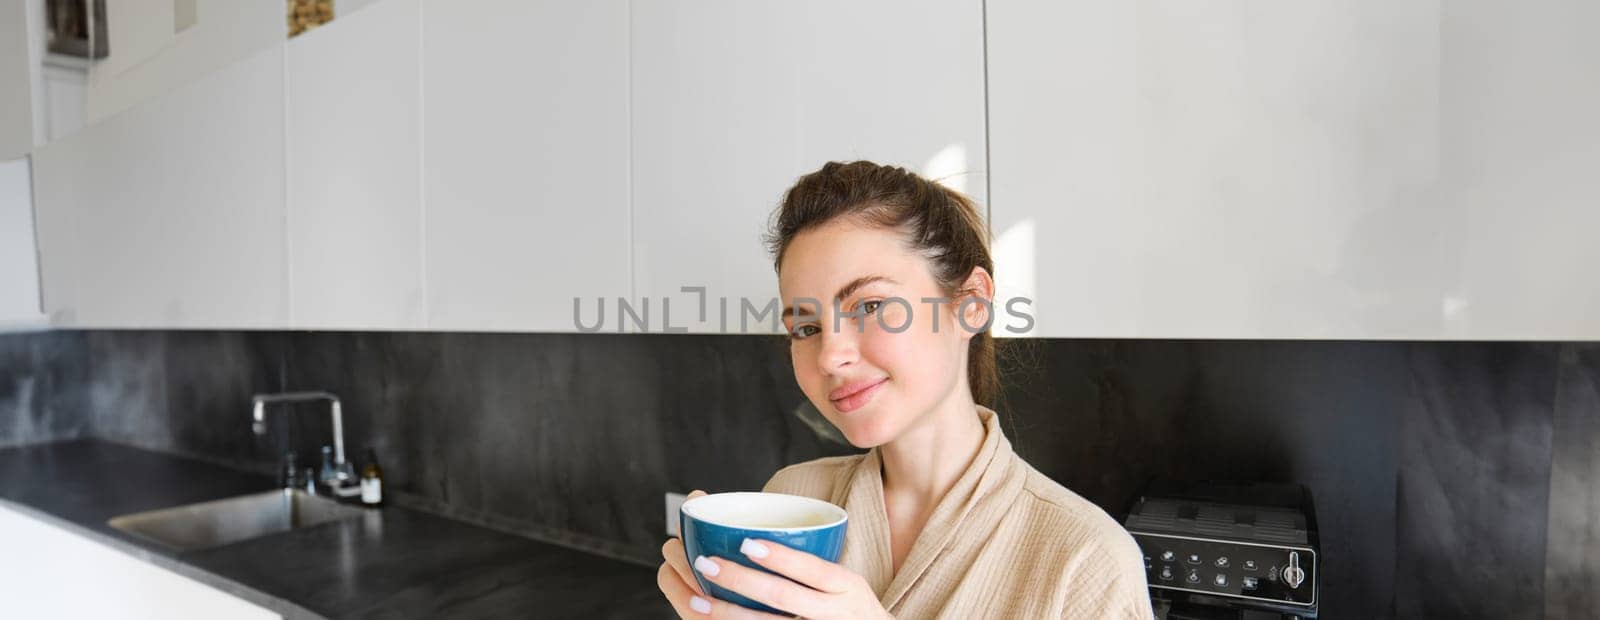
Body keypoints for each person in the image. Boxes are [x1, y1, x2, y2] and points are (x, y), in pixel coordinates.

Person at [657, 161, 1153, 618]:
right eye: (805, 329)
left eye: (870, 306)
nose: (831, 355)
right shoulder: (793, 500)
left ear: (971, 304)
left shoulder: (1086, 560)